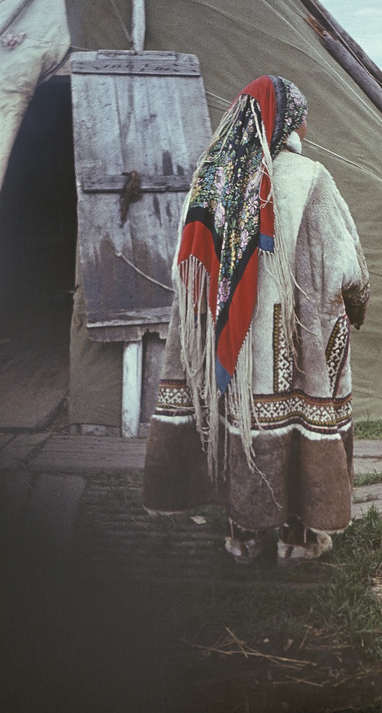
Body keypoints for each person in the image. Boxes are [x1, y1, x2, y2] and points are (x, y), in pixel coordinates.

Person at [143, 75, 370, 566]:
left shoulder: (209, 179)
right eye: (303, 115)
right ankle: (300, 538)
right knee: (293, 417)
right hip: (291, 341)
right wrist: (358, 301)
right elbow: (344, 266)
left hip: (226, 349)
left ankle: (243, 535)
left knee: (239, 419)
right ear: (290, 121)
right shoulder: (309, 178)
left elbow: (186, 266)